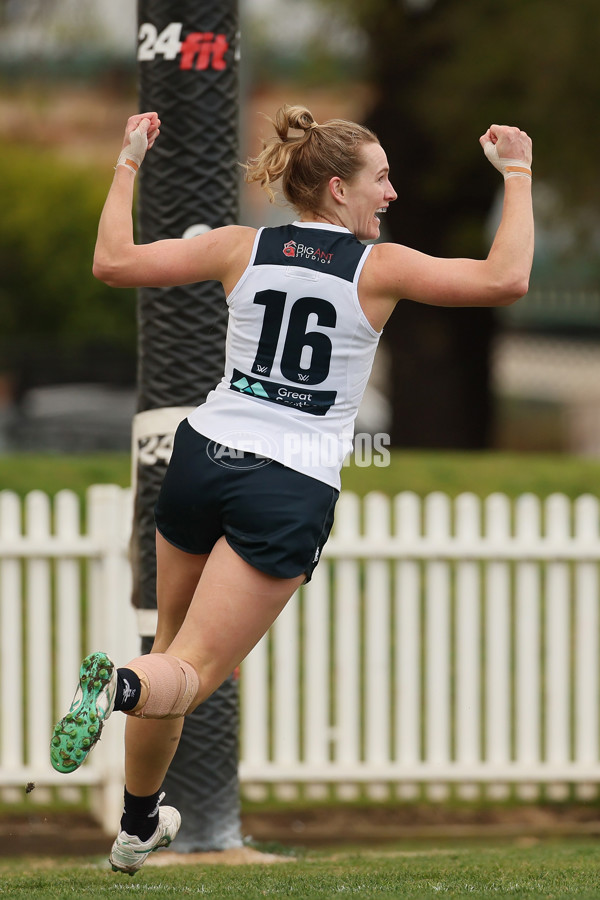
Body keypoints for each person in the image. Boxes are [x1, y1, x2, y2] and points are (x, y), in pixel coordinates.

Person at [50, 105, 533, 874]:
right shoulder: (380, 267)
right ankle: (115, 685)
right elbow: (506, 278)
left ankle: (138, 823)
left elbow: (113, 262)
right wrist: (517, 173)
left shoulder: (242, 246)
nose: (393, 193)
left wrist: (127, 161)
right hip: (284, 483)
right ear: (338, 189)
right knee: (190, 673)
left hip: (203, 455)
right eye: (381, 179)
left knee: (172, 649)